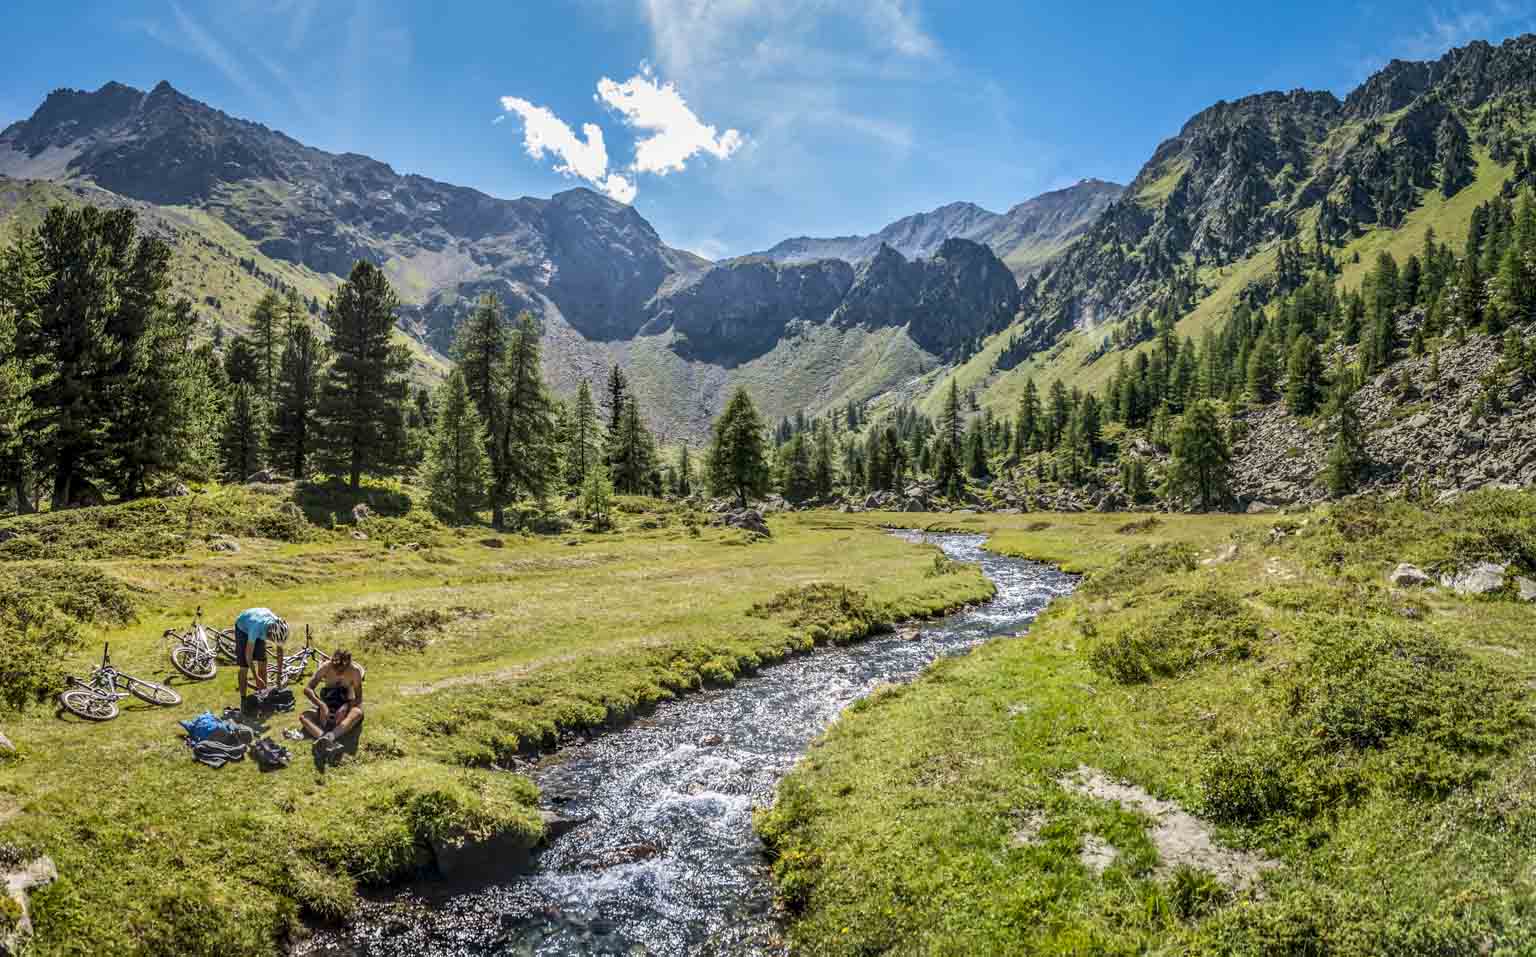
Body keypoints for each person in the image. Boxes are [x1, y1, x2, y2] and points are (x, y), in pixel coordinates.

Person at [300, 649, 365, 758]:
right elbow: (308, 689)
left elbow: (358, 698)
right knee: (304, 717)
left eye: (342, 669)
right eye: (335, 668)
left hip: (345, 705)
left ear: (348, 665)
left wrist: (346, 706)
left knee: (357, 712)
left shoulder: (355, 671)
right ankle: (324, 738)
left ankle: (330, 736)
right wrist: (322, 705)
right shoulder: (326, 666)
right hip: (327, 703)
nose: (338, 672)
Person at [233, 607, 288, 706]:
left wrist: (279, 674)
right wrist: (255, 676)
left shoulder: (277, 625)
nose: (272, 641)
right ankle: (243, 700)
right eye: (271, 639)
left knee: (262, 662)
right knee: (244, 667)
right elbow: (248, 655)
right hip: (243, 628)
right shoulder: (256, 628)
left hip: (261, 622)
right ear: (270, 634)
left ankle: (264, 695)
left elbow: (280, 651)